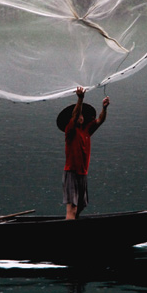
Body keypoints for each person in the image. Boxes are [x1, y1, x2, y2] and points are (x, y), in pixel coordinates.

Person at [62, 86, 109, 220]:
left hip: (83, 173)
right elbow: (75, 114)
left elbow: (100, 120)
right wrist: (80, 99)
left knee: (81, 206)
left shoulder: (86, 130)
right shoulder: (70, 130)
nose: (81, 117)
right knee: (73, 207)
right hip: (71, 172)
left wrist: (104, 108)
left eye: (82, 115)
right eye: (79, 115)